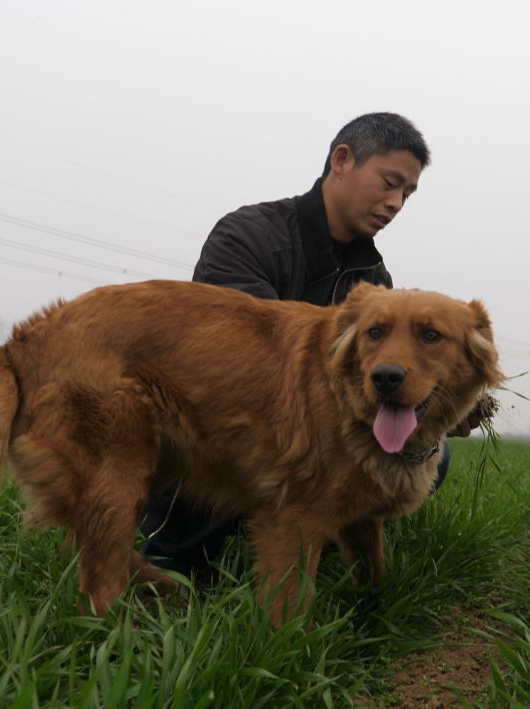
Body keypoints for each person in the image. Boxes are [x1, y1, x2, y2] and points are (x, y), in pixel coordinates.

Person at [141, 112, 478, 576]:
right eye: (389, 183)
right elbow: (253, 361)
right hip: (230, 424)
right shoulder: (246, 236)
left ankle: (324, 535)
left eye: (407, 194)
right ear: (342, 160)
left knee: (428, 455)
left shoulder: (375, 280)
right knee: (230, 455)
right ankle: (176, 550)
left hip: (316, 446)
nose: (396, 202)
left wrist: (440, 400)